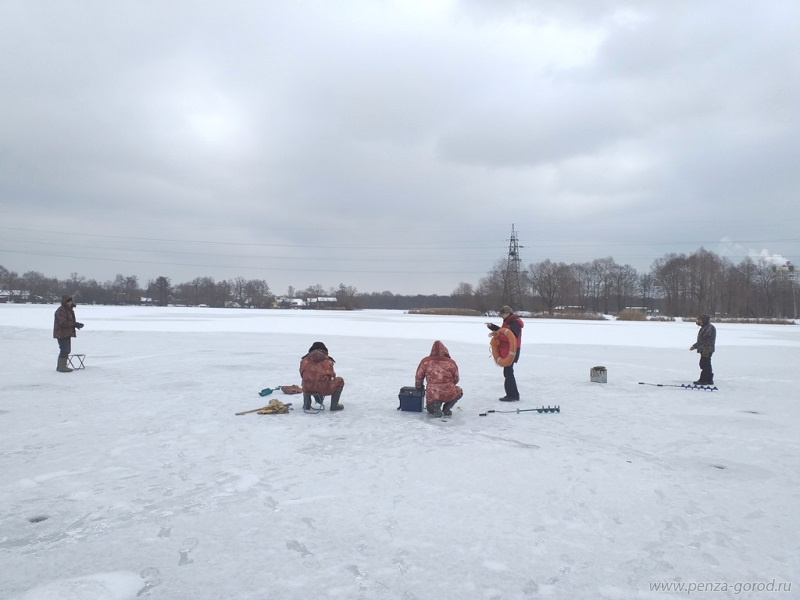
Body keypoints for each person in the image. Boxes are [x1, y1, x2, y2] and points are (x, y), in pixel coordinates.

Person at [415, 340, 463, 418]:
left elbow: (418, 377)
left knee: (430, 410)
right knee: (459, 391)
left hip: (432, 394)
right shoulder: (451, 363)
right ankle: (447, 407)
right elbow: (456, 378)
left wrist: (419, 387)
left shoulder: (425, 362)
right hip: (448, 392)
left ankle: (434, 406)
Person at [486, 305, 524, 401]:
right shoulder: (508, 322)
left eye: (502, 314)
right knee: (509, 372)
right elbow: (503, 331)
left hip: (513, 350)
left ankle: (511, 395)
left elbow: (511, 337)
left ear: (507, 313)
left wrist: (497, 336)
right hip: (508, 350)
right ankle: (515, 395)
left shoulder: (514, 323)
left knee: (508, 373)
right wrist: (493, 327)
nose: (501, 316)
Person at [299, 342, 344, 412]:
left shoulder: (304, 360)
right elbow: (333, 375)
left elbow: (301, 374)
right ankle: (334, 405)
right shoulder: (328, 360)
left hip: (308, 389)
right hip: (324, 389)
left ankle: (306, 405)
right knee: (340, 380)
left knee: (305, 380)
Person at [53, 295, 84, 373]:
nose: (70, 303)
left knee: (66, 350)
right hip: (61, 333)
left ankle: (61, 366)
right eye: (68, 301)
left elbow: (69, 321)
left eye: (70, 301)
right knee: (64, 349)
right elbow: (62, 323)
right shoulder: (61, 310)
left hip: (66, 333)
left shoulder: (69, 310)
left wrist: (76, 325)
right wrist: (74, 324)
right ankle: (62, 367)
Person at [689, 313, 716, 385]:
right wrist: (695, 346)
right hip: (704, 348)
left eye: (700, 319)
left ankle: (704, 379)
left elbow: (707, 340)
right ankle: (709, 379)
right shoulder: (704, 327)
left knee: (704, 364)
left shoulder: (709, 328)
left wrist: (706, 349)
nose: (698, 321)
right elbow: (701, 340)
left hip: (707, 349)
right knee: (706, 363)